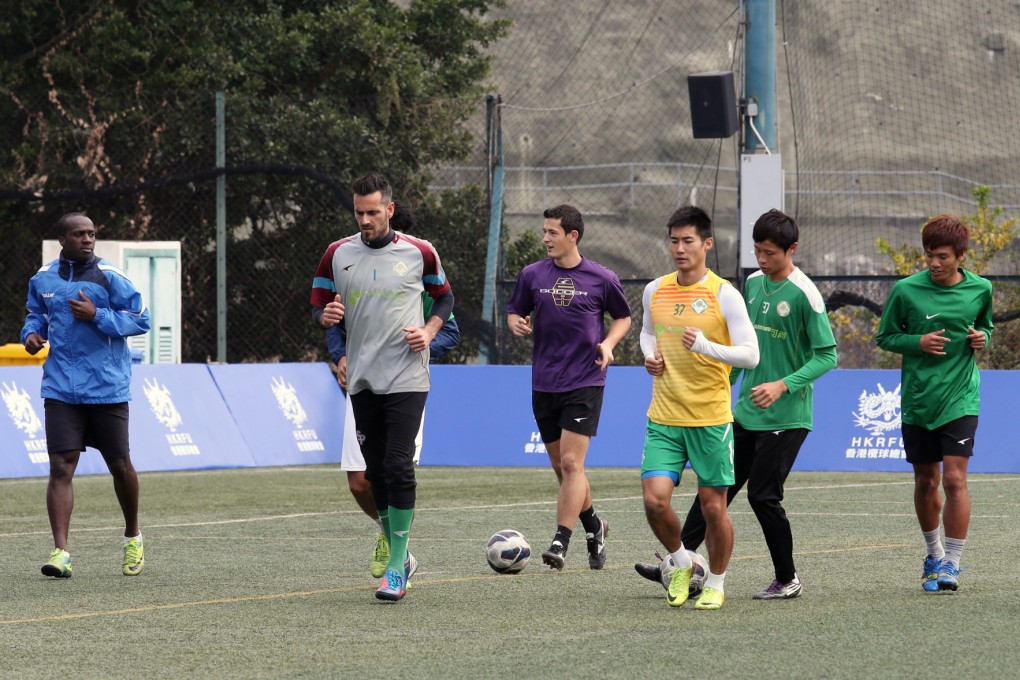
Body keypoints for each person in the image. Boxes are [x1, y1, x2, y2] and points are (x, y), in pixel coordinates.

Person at [637, 209, 837, 600]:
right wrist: (724, 385)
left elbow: (827, 355)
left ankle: (787, 578)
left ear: (791, 250)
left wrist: (783, 385)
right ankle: (682, 561)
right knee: (715, 497)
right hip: (741, 410)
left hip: (787, 413)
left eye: (770, 253)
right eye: (757, 252)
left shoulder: (805, 293)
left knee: (763, 495)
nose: (762, 260)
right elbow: (732, 348)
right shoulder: (753, 284)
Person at [310, 171, 453, 601]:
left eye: (373, 212)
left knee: (397, 465)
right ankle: (401, 556)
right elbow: (318, 302)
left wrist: (429, 331)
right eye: (359, 212)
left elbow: (445, 299)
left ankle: (396, 566)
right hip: (363, 380)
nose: (365, 220)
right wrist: (326, 318)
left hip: (408, 377)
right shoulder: (336, 254)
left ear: (389, 209)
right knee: (373, 475)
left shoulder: (420, 252)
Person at [637, 205, 759, 610]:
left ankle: (717, 582)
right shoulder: (655, 289)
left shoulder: (724, 294)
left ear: (707, 243)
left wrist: (705, 346)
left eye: (688, 240)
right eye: (673, 240)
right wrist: (649, 356)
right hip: (664, 417)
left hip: (710, 419)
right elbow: (647, 332)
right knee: (655, 501)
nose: (679, 248)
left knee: (712, 508)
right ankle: (680, 562)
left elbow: (750, 355)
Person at [21, 212, 151, 579]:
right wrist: (30, 336)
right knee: (61, 466)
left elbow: (141, 319)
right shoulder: (43, 278)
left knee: (119, 465)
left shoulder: (111, 276)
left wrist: (98, 315)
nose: (87, 239)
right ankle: (61, 552)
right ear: (62, 239)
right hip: (60, 387)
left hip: (107, 386)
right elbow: (35, 315)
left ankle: (132, 536)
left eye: (91, 234)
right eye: (79, 234)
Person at [506, 204, 632, 571]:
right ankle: (595, 526)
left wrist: (609, 345)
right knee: (564, 470)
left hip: (585, 379)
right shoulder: (532, 275)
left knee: (573, 462)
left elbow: (623, 317)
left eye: (552, 233)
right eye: (544, 232)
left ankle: (560, 541)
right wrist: (516, 323)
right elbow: (516, 310)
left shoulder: (601, 277)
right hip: (544, 382)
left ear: (572, 236)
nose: (545, 238)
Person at [876, 214, 992, 592]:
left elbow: (985, 325)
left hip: (960, 397)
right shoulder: (906, 290)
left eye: (942, 256)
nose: (934, 263)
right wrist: (917, 342)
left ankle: (953, 564)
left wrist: (982, 338)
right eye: (929, 255)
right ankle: (933, 553)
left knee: (956, 479)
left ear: (961, 255)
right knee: (927, 481)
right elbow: (886, 337)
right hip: (917, 399)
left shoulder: (981, 289)